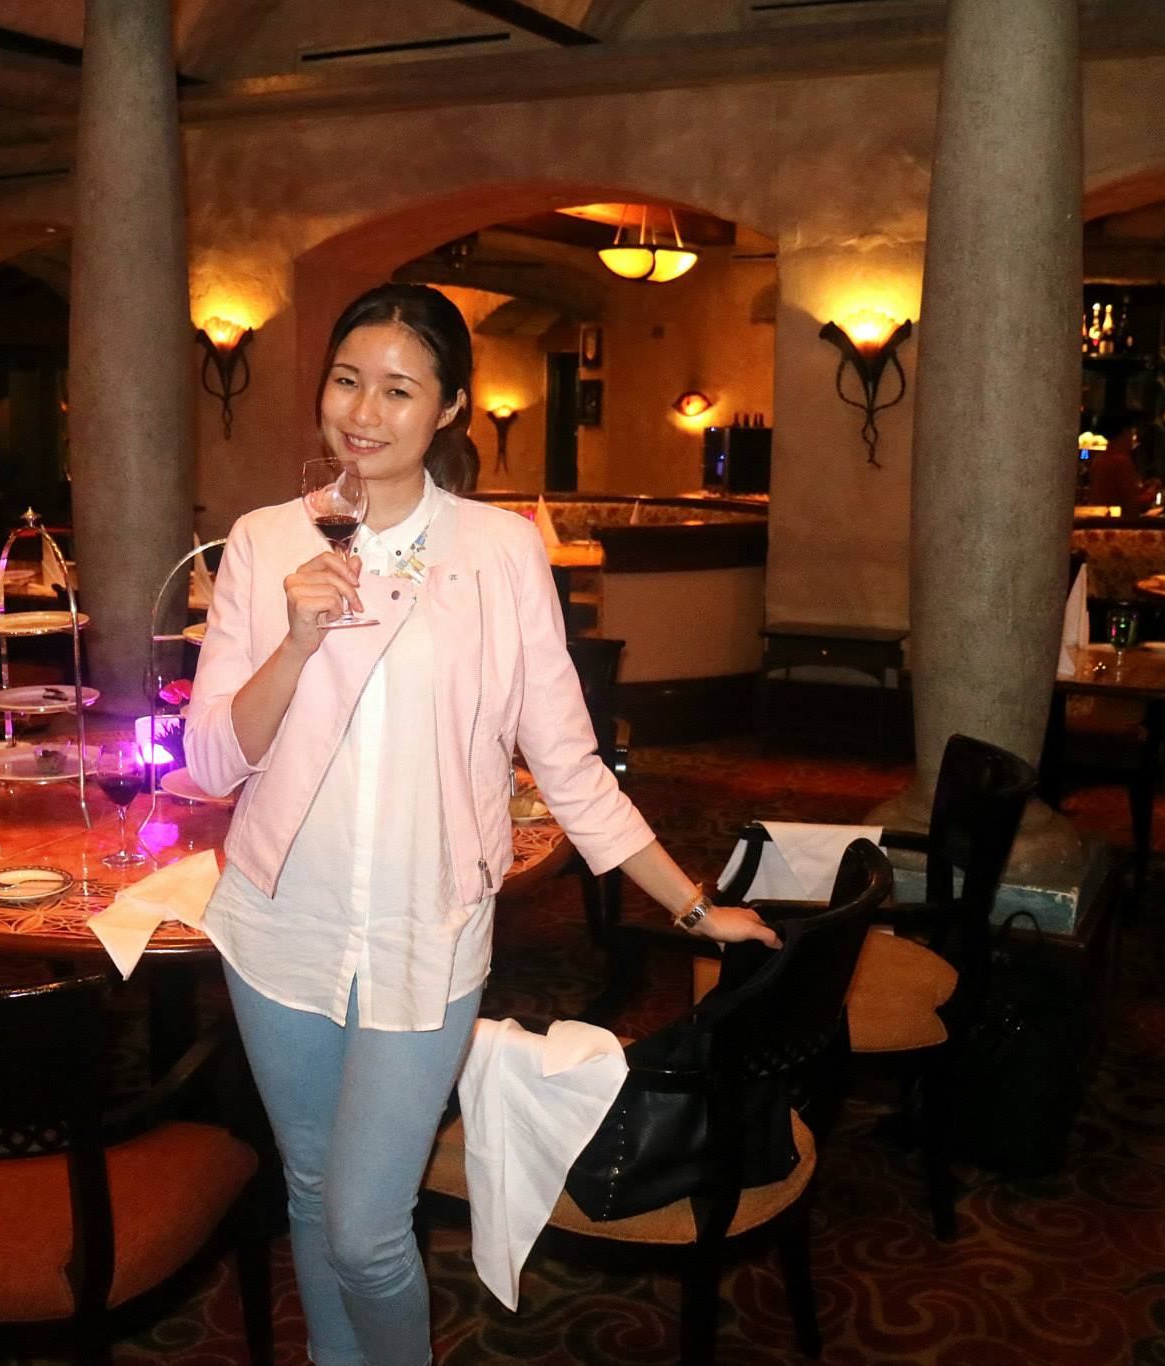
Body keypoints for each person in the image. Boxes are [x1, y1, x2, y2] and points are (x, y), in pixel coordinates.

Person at [186, 283, 774, 1366]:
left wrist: (693, 907)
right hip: (278, 927)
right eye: (346, 381)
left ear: (450, 406)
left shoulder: (500, 551)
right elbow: (214, 761)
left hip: (428, 930)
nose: (363, 412)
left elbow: (568, 764)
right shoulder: (263, 542)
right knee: (310, 1189)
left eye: (398, 389)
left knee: (366, 1231)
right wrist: (295, 641)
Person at [1083, 410, 1160, 515]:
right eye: (1132, 432)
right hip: (1119, 521)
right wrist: (1153, 489)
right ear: (1125, 432)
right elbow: (1133, 504)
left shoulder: (1099, 459)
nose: (1134, 437)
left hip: (1103, 519)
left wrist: (1142, 489)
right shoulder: (1120, 461)